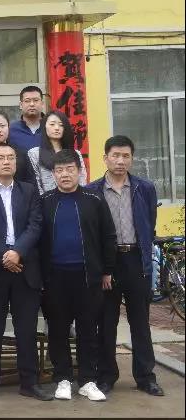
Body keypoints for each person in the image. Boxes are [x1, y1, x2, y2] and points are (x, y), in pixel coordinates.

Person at [0, 144, 52, 403]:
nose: (6, 162)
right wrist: (5, 255)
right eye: (0, 158)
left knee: (26, 329)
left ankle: (29, 382)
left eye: (10, 158)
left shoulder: (29, 190)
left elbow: (36, 224)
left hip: (25, 268)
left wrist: (17, 252)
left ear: (16, 163)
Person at [87, 136, 164, 397]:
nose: (120, 161)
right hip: (107, 264)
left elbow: (149, 223)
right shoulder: (92, 190)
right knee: (106, 322)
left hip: (136, 260)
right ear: (105, 158)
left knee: (140, 322)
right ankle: (106, 376)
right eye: (115, 155)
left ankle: (145, 377)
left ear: (131, 159)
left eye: (126, 156)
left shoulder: (145, 188)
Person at [39, 150, 116, 402]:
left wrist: (107, 270)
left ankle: (87, 380)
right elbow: (37, 240)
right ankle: (62, 378)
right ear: (53, 174)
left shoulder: (94, 200)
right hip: (55, 277)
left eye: (70, 169)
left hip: (88, 276)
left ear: (79, 171)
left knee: (88, 330)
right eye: (60, 170)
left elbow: (108, 236)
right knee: (58, 329)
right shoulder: (45, 201)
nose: (65, 175)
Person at [27, 111, 88, 194]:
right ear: (44, 127)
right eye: (52, 124)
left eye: (61, 125)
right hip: (47, 199)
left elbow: (82, 179)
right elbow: (36, 184)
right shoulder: (34, 153)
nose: (57, 128)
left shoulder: (76, 153)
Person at [9, 86, 45, 152]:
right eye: (27, 101)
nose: (32, 104)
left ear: (42, 104)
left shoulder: (51, 127)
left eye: (36, 100)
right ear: (20, 105)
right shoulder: (10, 130)